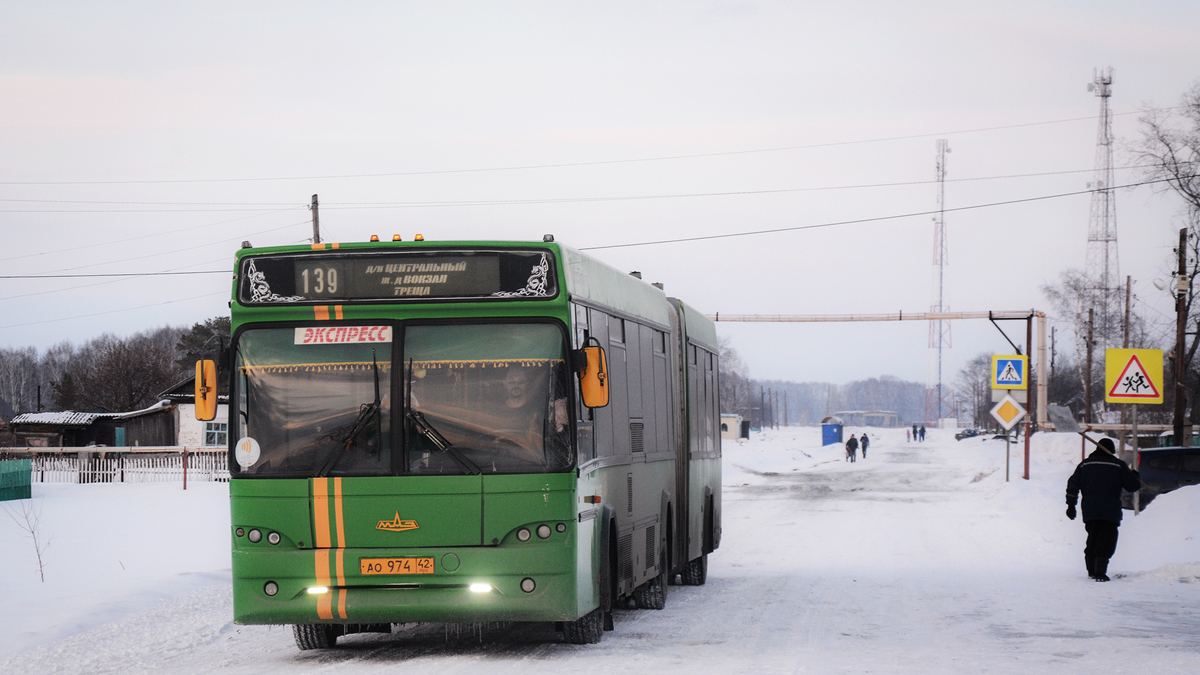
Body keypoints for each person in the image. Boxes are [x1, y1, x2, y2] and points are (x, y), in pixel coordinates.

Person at [1065, 437, 1142, 582]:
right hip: (1110, 511)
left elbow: (1073, 485)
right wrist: (1135, 476)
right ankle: (1100, 572)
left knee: (1093, 538)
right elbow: (1133, 486)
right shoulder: (1118, 466)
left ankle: (1091, 571)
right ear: (1111, 451)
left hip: (1090, 510)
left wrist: (1071, 505)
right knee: (1107, 540)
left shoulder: (1085, 465)